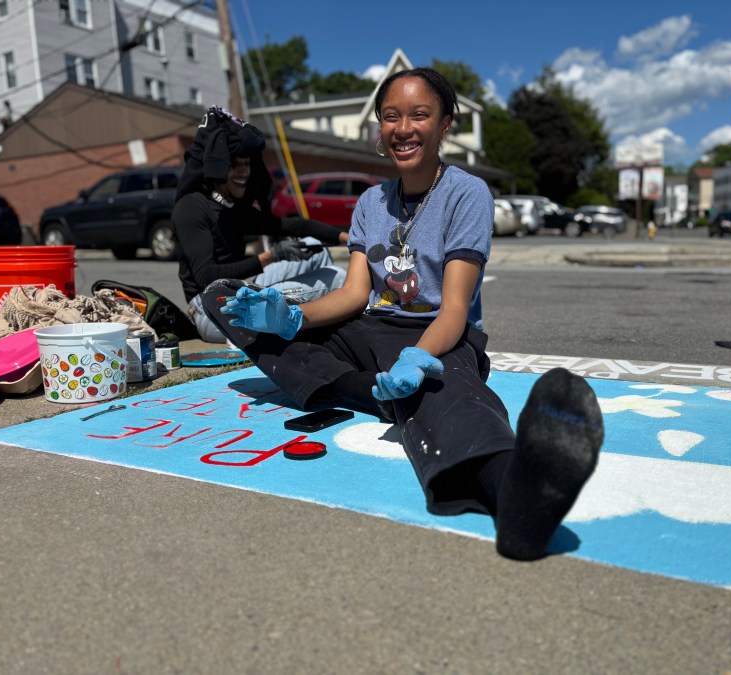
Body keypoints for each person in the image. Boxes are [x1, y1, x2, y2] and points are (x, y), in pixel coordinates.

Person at [201, 69, 604, 561]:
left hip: (437, 334)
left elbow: (454, 308)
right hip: (368, 329)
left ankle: (517, 496)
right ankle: (374, 392)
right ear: (379, 127)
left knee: (447, 395)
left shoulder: (467, 193)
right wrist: (290, 317)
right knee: (224, 298)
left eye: (419, 115)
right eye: (391, 116)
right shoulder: (371, 201)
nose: (403, 128)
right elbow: (353, 294)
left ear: (445, 125)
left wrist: (418, 358)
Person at [172, 106, 349, 342]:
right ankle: (316, 328)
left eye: (247, 163)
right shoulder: (191, 207)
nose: (244, 171)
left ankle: (306, 323)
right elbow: (206, 276)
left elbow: (294, 226)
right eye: (236, 164)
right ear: (219, 167)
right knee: (336, 277)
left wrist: (350, 239)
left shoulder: (232, 207)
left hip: (239, 289)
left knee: (313, 247)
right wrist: (271, 256)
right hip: (210, 308)